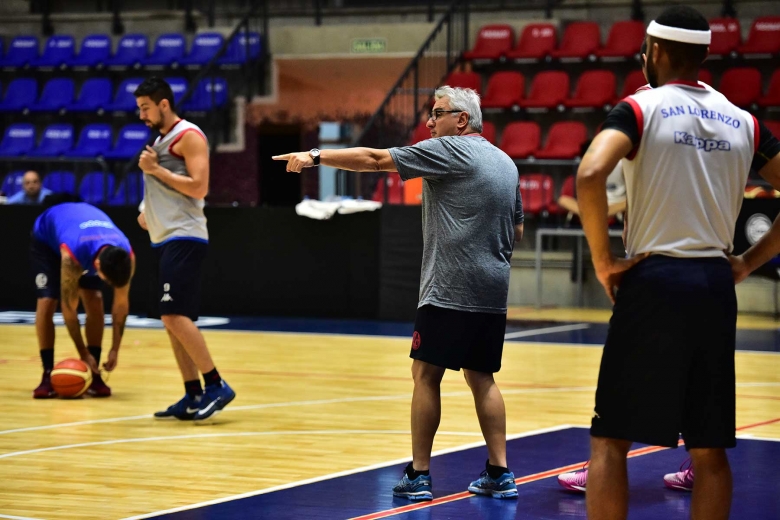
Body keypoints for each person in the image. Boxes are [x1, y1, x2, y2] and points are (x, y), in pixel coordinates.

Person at [576, 6, 780, 520]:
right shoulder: (744, 120)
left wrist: (605, 262)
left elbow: (589, 174)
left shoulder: (641, 109)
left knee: (610, 439)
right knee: (709, 449)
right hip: (715, 284)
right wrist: (748, 262)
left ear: (657, 51)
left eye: (645, 49)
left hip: (655, 278)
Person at [273, 86, 524, 501]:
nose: (429, 122)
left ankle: (419, 474)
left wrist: (316, 156)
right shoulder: (506, 163)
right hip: (491, 289)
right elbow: (515, 230)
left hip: (448, 287)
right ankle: (500, 472)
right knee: (482, 378)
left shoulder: (451, 151)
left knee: (425, 375)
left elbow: (374, 160)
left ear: (461, 120)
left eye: (437, 113)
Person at [134, 77, 235, 423]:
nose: (141, 115)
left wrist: (155, 169)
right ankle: (192, 392)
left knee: (174, 315)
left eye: (145, 107)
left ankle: (215, 384)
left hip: (185, 236)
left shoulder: (188, 135)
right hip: (163, 238)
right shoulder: (161, 141)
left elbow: (199, 186)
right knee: (171, 320)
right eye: (139, 109)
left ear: (164, 104)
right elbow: (163, 189)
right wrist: (146, 211)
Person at [31, 202, 134, 398]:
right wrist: (82, 353)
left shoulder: (126, 255)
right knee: (47, 301)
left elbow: (121, 305)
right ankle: (46, 373)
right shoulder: (72, 258)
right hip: (47, 239)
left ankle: (94, 374)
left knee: (95, 299)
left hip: (82, 235)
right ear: (97, 266)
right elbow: (69, 310)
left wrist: (115, 349)